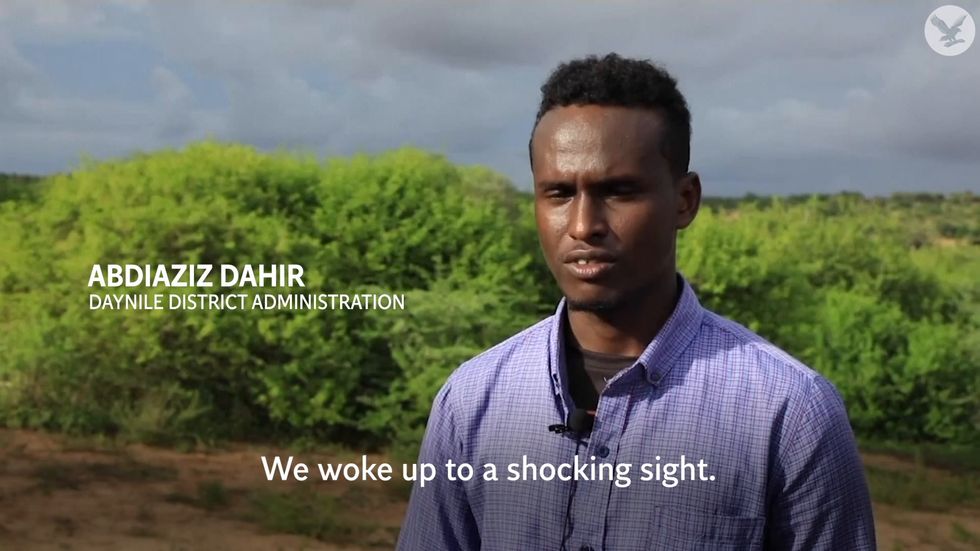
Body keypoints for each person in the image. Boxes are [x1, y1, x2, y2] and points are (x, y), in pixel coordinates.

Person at [396, 53, 875, 551]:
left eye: (619, 192)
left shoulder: (789, 412)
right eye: (558, 193)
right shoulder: (472, 400)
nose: (583, 226)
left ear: (685, 200)